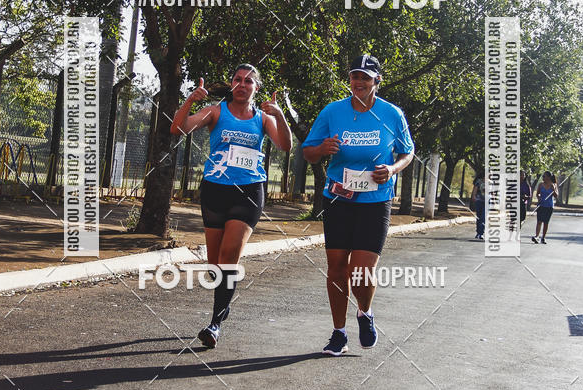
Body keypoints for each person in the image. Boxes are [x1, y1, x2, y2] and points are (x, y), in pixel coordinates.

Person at [171, 64, 292, 347]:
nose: (242, 84)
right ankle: (223, 305)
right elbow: (177, 128)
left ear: (256, 88)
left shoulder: (262, 118)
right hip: (215, 191)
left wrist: (280, 115)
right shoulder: (215, 112)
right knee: (215, 265)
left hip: (248, 192)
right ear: (231, 84)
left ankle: (214, 324)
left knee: (229, 259)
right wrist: (190, 100)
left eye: (248, 81)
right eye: (237, 80)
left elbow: (285, 145)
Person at [302, 54, 414, 356]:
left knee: (361, 271)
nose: (359, 82)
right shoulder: (332, 112)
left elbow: (408, 152)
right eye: (355, 76)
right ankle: (339, 333)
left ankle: (365, 312)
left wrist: (391, 169)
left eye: (366, 77)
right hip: (338, 199)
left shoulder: (392, 114)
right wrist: (322, 149)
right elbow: (308, 153)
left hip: (375, 202)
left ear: (377, 81)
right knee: (337, 268)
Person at [532, 171, 558, 244]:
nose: (543, 178)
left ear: (548, 177)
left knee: (546, 222)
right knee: (539, 221)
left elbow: (556, 196)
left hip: (549, 206)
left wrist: (553, 189)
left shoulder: (553, 185)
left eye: (544, 176)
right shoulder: (540, 185)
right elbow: (537, 194)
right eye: (542, 176)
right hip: (541, 205)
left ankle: (543, 237)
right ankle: (537, 236)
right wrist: (539, 197)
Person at [470, 170, 485, 240]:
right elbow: (474, 190)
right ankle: (478, 232)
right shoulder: (478, 182)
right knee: (479, 217)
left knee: (483, 217)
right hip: (479, 201)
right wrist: (473, 197)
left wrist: (494, 201)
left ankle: (481, 233)